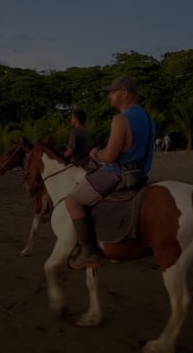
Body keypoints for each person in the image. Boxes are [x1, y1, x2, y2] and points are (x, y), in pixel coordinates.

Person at [65, 75, 156, 270]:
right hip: (140, 176)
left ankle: (88, 251)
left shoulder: (121, 120)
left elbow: (110, 156)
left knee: (72, 201)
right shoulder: (149, 118)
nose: (109, 96)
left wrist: (96, 152)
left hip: (116, 175)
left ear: (124, 93)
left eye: (112, 92)